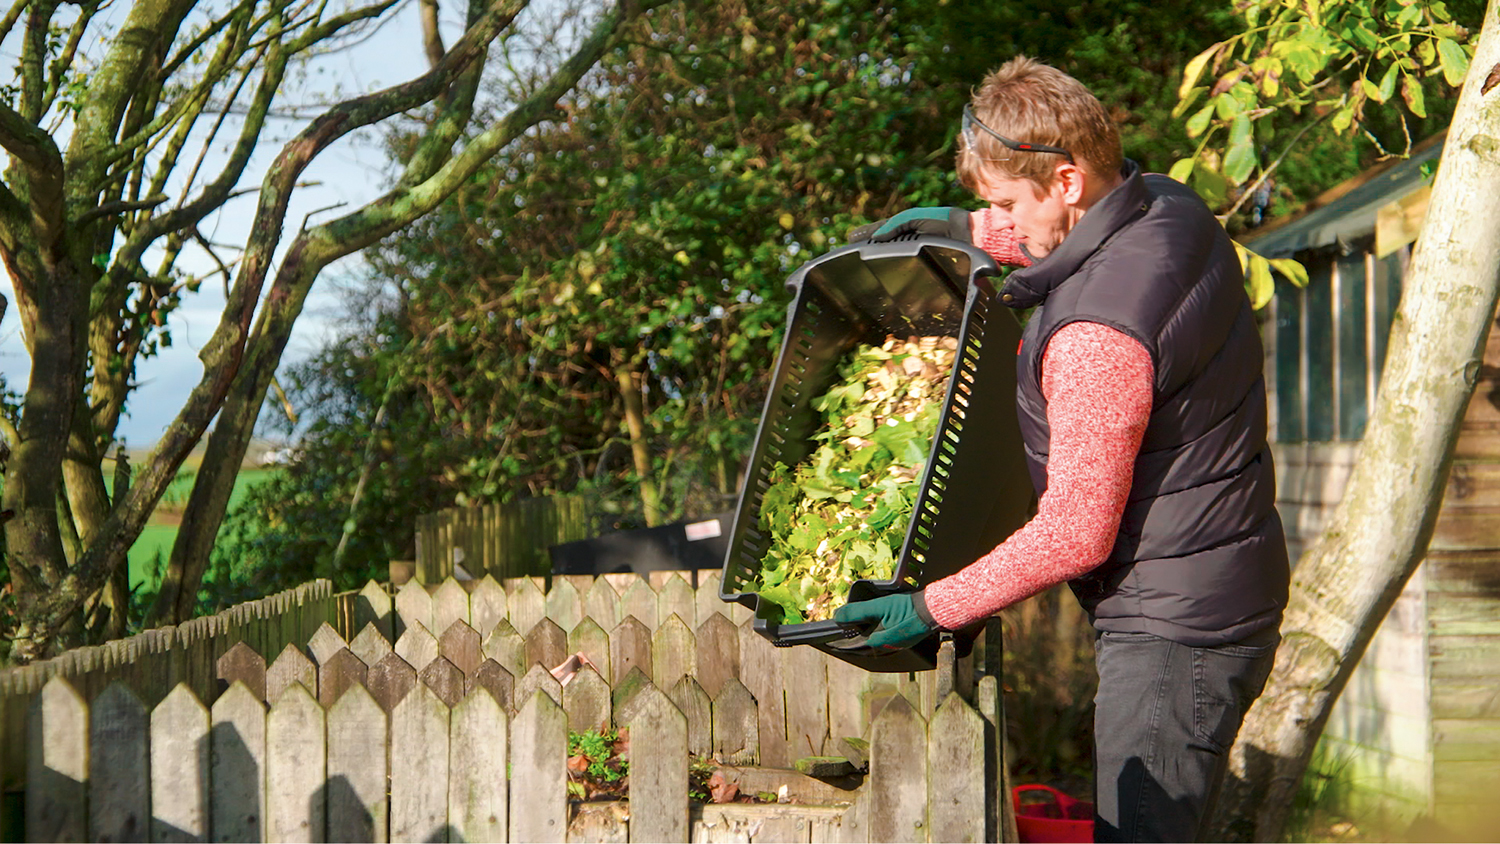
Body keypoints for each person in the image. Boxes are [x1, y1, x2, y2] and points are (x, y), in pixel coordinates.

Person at [833, 56, 1290, 843]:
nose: (1000, 218)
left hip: (1175, 635)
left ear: (1068, 181)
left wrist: (928, 607)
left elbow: (1076, 532)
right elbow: (1080, 237)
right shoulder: (1169, 209)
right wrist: (963, 228)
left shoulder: (1094, 340)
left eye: (1006, 201)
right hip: (1219, 580)